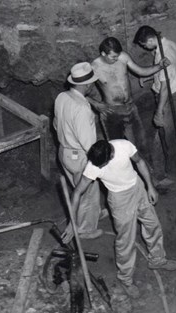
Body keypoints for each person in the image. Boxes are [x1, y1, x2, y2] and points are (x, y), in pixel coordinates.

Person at [69, 139, 176, 298]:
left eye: (102, 165)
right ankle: (125, 279)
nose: (99, 169)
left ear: (111, 154)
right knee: (126, 240)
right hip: (119, 200)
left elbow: (140, 162)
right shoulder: (93, 166)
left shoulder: (123, 146)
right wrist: (71, 222)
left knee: (152, 225)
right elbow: (77, 192)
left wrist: (150, 186)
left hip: (138, 188)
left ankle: (157, 259)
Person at [53, 62, 103, 240]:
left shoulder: (62, 97)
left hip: (64, 150)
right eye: (90, 83)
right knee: (86, 192)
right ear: (86, 85)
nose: (91, 85)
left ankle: (93, 215)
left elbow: (55, 123)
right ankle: (84, 230)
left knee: (84, 188)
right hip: (79, 155)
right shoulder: (82, 108)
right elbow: (88, 143)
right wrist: (99, 160)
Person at [89, 37, 170, 145]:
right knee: (116, 148)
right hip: (111, 112)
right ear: (103, 54)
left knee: (141, 144)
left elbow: (141, 71)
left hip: (130, 108)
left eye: (118, 56)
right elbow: (78, 91)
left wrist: (160, 66)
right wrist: (95, 104)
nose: (116, 59)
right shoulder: (94, 67)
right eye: (113, 57)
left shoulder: (123, 57)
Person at [133, 25, 176, 179]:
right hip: (174, 95)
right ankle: (170, 170)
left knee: (169, 139)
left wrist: (159, 111)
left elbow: (164, 88)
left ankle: (173, 174)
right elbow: (165, 71)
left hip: (169, 100)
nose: (145, 48)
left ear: (150, 40)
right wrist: (149, 76)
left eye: (144, 45)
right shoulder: (169, 45)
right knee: (167, 135)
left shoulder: (164, 53)